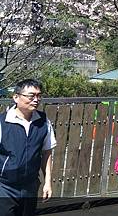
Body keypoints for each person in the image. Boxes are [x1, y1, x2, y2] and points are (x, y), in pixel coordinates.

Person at [0, 78, 56, 216]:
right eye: (31, 96)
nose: (36, 100)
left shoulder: (43, 121)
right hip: (5, 186)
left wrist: (47, 182)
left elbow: (47, 152)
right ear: (16, 97)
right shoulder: (3, 122)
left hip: (30, 185)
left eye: (38, 96)